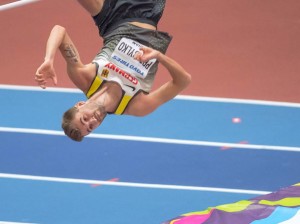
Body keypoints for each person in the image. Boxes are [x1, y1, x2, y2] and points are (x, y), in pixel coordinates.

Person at [35, 0, 191, 141]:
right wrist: (159, 57)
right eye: (90, 128)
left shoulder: (86, 79)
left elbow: (59, 31)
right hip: (145, 12)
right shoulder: (136, 105)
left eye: (84, 119)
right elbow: (183, 80)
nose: (92, 121)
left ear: (80, 105)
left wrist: (48, 59)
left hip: (111, 19)